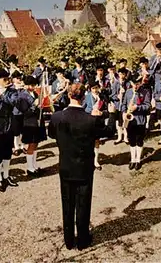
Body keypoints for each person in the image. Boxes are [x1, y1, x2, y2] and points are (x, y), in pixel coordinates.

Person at [48, 83, 111, 250]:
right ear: (84, 97)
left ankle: (69, 240)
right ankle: (83, 239)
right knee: (83, 204)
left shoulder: (56, 117)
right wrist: (108, 115)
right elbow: (108, 131)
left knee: (67, 204)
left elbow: (51, 134)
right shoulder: (90, 120)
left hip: (66, 166)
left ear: (69, 95)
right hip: (84, 168)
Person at [121, 75, 152, 170]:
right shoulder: (128, 92)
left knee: (139, 140)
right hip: (130, 121)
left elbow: (148, 106)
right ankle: (133, 159)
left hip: (140, 120)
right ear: (131, 83)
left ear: (140, 83)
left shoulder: (145, 92)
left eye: (137, 84)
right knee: (131, 140)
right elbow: (124, 104)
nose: (135, 86)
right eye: (134, 84)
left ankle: (138, 160)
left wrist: (137, 107)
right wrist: (124, 113)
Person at [20, 75, 47, 177]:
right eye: (31, 85)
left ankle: (34, 166)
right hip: (29, 122)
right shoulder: (23, 96)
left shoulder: (35, 93)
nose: (33, 86)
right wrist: (35, 105)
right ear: (27, 85)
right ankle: (30, 168)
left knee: (36, 143)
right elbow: (24, 111)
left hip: (37, 121)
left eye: (34, 85)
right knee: (31, 144)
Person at [83, 80, 107, 170]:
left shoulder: (103, 97)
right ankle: (88, 161)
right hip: (89, 121)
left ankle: (96, 161)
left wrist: (101, 113)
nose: (95, 90)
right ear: (90, 89)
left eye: (96, 88)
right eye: (93, 88)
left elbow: (107, 110)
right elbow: (82, 109)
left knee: (97, 142)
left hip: (98, 122)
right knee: (88, 141)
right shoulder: (86, 97)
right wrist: (90, 112)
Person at [110, 67, 131, 144]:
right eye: (120, 74)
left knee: (125, 121)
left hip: (125, 106)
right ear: (118, 74)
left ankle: (125, 137)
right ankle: (119, 137)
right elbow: (112, 95)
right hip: (118, 105)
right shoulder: (116, 83)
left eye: (123, 74)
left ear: (125, 75)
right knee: (118, 122)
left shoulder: (128, 83)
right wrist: (117, 96)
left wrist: (125, 93)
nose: (122, 76)